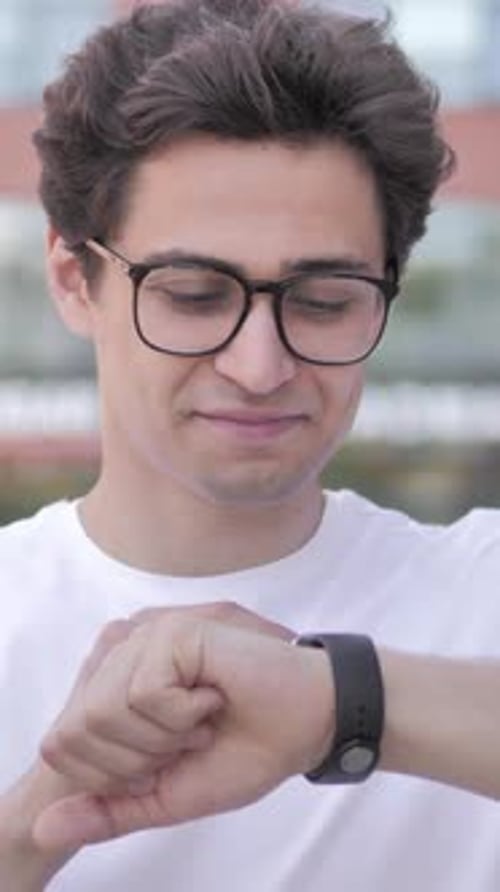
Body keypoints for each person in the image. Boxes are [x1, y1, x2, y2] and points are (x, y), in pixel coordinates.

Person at [1, 0, 500, 889]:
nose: (260, 364)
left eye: (324, 300)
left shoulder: (481, 587)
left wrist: (346, 704)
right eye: (194, 295)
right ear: (76, 281)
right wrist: (42, 817)